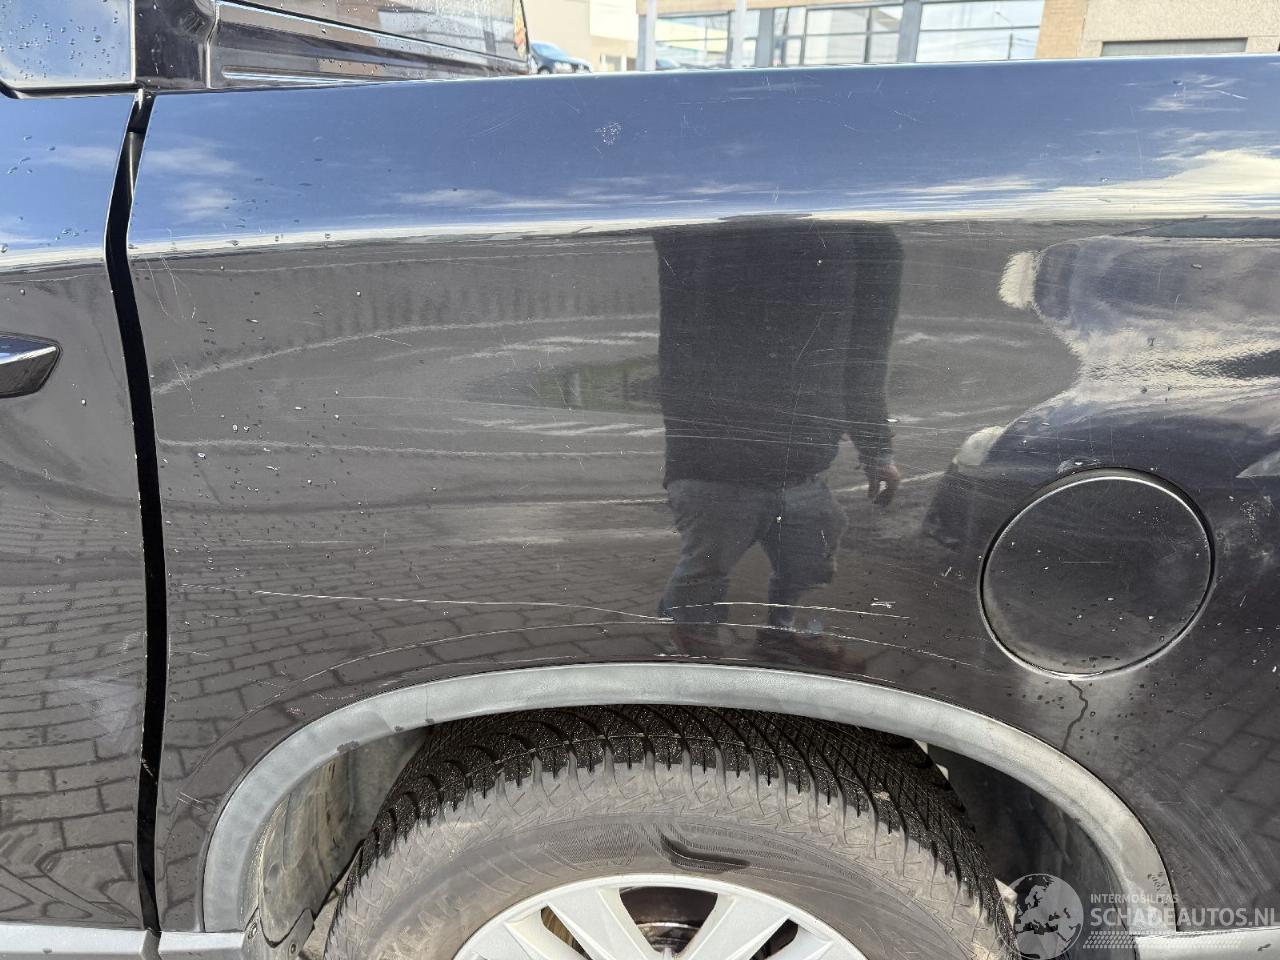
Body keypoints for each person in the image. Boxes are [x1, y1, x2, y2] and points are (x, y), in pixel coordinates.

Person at [655, 217, 902, 634]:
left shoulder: (864, 237)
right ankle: (690, 646)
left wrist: (876, 447)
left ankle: (778, 632)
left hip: (797, 468)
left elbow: (863, 357)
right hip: (714, 467)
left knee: (809, 564)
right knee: (702, 578)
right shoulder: (708, 225)